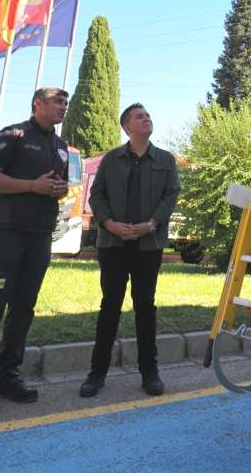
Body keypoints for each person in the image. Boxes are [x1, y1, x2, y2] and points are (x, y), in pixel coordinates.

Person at [0, 87, 70, 417]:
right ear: (37, 103)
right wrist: (32, 186)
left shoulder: (60, 145)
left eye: (66, 103)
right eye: (57, 102)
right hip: (8, 234)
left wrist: (59, 189)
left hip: (40, 236)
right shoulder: (13, 135)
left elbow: (57, 184)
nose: (63, 108)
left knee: (24, 307)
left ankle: (7, 376)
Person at [78, 103, 180, 398]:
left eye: (148, 115)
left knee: (145, 307)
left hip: (149, 245)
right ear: (127, 127)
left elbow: (170, 195)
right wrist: (109, 223)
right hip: (113, 245)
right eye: (139, 116)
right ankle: (96, 375)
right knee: (110, 306)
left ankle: (150, 374)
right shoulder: (111, 160)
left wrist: (151, 224)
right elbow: (96, 196)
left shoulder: (165, 159)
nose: (146, 118)